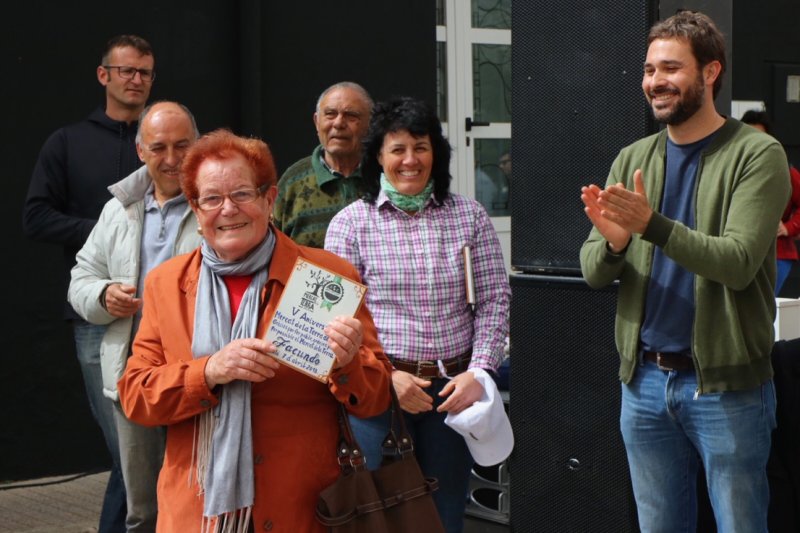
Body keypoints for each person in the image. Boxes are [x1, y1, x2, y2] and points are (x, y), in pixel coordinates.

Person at [117, 129, 392, 532]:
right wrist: (208, 371)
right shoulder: (165, 283)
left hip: (299, 507)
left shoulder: (325, 276)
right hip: (197, 511)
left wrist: (347, 362)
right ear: (195, 209)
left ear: (269, 198)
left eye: (242, 194)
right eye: (211, 198)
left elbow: (375, 398)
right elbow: (136, 396)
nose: (227, 210)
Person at [579, 11, 789, 533]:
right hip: (643, 382)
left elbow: (738, 263)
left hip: (728, 389)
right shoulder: (633, 157)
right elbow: (592, 272)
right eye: (649, 70)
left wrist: (652, 226)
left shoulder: (757, 154)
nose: (655, 82)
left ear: (710, 72)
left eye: (670, 68)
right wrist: (614, 243)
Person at [325, 97, 511, 533]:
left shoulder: (468, 216)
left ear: (437, 153)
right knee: (373, 517)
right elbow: (336, 321)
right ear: (378, 157)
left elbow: (494, 300)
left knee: (444, 515)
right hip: (377, 394)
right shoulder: (351, 224)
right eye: (398, 149)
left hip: (452, 393)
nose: (411, 160)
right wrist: (386, 375)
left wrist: (480, 371)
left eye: (421, 147)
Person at [22, 34, 156, 533]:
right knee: (128, 454)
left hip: (164, 319)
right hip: (96, 317)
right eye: (127, 71)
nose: (136, 81)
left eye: (145, 73)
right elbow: (35, 217)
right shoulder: (68, 142)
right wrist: (106, 232)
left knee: (148, 453)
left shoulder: (164, 142)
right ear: (104, 75)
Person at [68, 101, 201, 532]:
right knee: (140, 505)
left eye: (182, 146)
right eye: (159, 147)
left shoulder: (216, 205)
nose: (172, 159)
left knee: (196, 494)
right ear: (141, 150)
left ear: (197, 145)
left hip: (196, 374)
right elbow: (81, 277)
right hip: (133, 375)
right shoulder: (120, 209)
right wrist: (104, 296)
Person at [273, 81, 373, 248]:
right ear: (317, 122)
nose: (339, 123)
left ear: (370, 124)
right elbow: (272, 247)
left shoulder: (384, 176)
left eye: (351, 115)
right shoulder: (293, 181)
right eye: (330, 114)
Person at [740, 109, 800, 294]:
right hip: (739, 254)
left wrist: (789, 227)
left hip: (776, 254)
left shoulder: (786, 173)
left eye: (760, 137)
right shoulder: (733, 170)